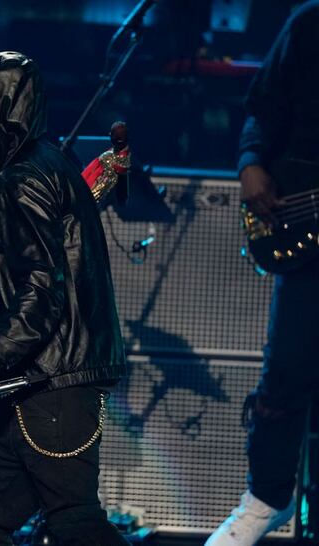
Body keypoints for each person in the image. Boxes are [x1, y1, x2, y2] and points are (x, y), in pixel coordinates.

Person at [0, 51, 129, 546]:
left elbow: (42, 288)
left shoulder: (22, 181)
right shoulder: (39, 167)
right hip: (37, 381)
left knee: (75, 521)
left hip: (52, 383)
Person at [206, 3, 319, 545]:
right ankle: (267, 497)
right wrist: (251, 161)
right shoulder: (310, 22)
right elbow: (263, 106)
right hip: (303, 228)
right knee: (287, 370)